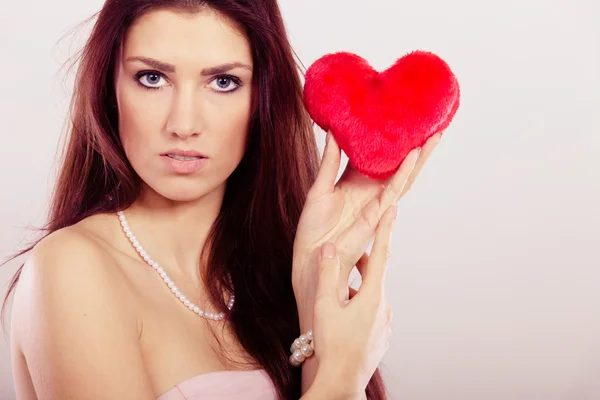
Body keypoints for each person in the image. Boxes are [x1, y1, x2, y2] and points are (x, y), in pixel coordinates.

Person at [2, 0, 441, 399]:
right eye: (152, 78)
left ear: (261, 100)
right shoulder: (70, 268)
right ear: (109, 89)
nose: (184, 123)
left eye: (224, 82)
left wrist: (313, 284)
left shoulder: (266, 276)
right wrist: (340, 378)